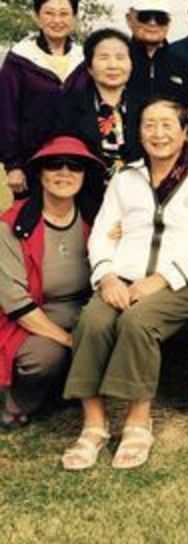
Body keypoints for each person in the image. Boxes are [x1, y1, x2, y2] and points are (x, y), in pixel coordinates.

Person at [61, 97, 188, 470]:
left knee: (138, 322)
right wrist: (106, 276)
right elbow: (102, 232)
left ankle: (138, 421)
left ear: (185, 132)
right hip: (123, 277)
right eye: (150, 125)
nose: (159, 133)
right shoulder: (125, 177)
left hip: (180, 283)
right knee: (92, 321)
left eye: (168, 124)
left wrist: (161, 280)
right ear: (139, 132)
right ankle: (94, 425)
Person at [0, 137, 104, 429]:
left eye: (75, 166)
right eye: (54, 164)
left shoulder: (95, 220)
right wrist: (70, 342)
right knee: (46, 357)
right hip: (31, 321)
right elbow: (15, 303)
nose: (64, 172)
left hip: (83, 314)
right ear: (40, 174)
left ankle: (64, 390)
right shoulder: (11, 226)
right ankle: (19, 401)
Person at [0, 0, 88, 197]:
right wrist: (13, 165)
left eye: (64, 13)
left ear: (74, 18)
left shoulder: (85, 59)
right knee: (33, 224)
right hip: (33, 163)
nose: (57, 20)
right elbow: (6, 113)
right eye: (49, 13)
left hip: (78, 163)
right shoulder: (19, 60)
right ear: (37, 17)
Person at [55, 28, 143, 184]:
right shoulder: (67, 107)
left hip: (136, 194)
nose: (113, 65)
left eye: (120, 57)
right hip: (86, 197)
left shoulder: (146, 107)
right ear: (89, 67)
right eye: (104, 58)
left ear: (131, 64)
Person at [125, 0, 188, 106]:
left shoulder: (183, 66)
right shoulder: (114, 62)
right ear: (129, 19)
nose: (152, 23)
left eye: (160, 18)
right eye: (144, 17)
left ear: (169, 22)